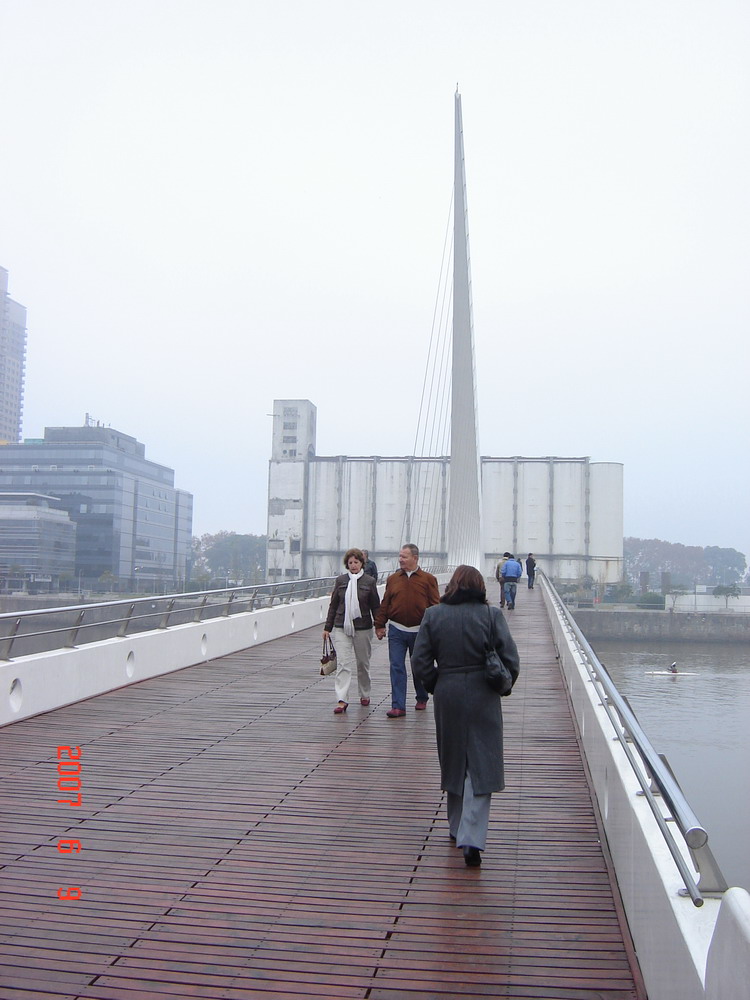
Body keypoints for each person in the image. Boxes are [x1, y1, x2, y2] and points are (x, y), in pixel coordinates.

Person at [411, 565, 520, 867]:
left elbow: (419, 661)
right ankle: (471, 837)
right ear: (479, 586)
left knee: (454, 758)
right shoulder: (491, 616)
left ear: (453, 585)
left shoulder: (434, 615)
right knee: (481, 763)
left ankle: (457, 826)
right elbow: (510, 658)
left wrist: (436, 683)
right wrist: (503, 683)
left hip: (448, 691)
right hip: (483, 692)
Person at [374, 543, 440, 718]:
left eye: (404, 557)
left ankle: (422, 696)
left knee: (418, 666)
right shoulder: (393, 579)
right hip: (397, 629)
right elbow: (385, 603)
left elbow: (435, 605)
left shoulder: (428, 579)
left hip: (420, 631)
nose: (400, 560)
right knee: (396, 666)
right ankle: (398, 706)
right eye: (400, 556)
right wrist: (379, 625)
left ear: (415, 558)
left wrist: (438, 629)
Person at [323, 547, 381, 714]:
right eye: (350, 563)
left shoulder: (369, 582)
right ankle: (342, 699)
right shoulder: (341, 581)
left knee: (363, 663)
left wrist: (379, 625)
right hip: (342, 626)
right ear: (346, 565)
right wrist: (328, 627)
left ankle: (365, 693)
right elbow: (334, 605)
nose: (353, 565)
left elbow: (375, 606)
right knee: (343, 663)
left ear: (362, 563)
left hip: (363, 627)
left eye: (356, 562)